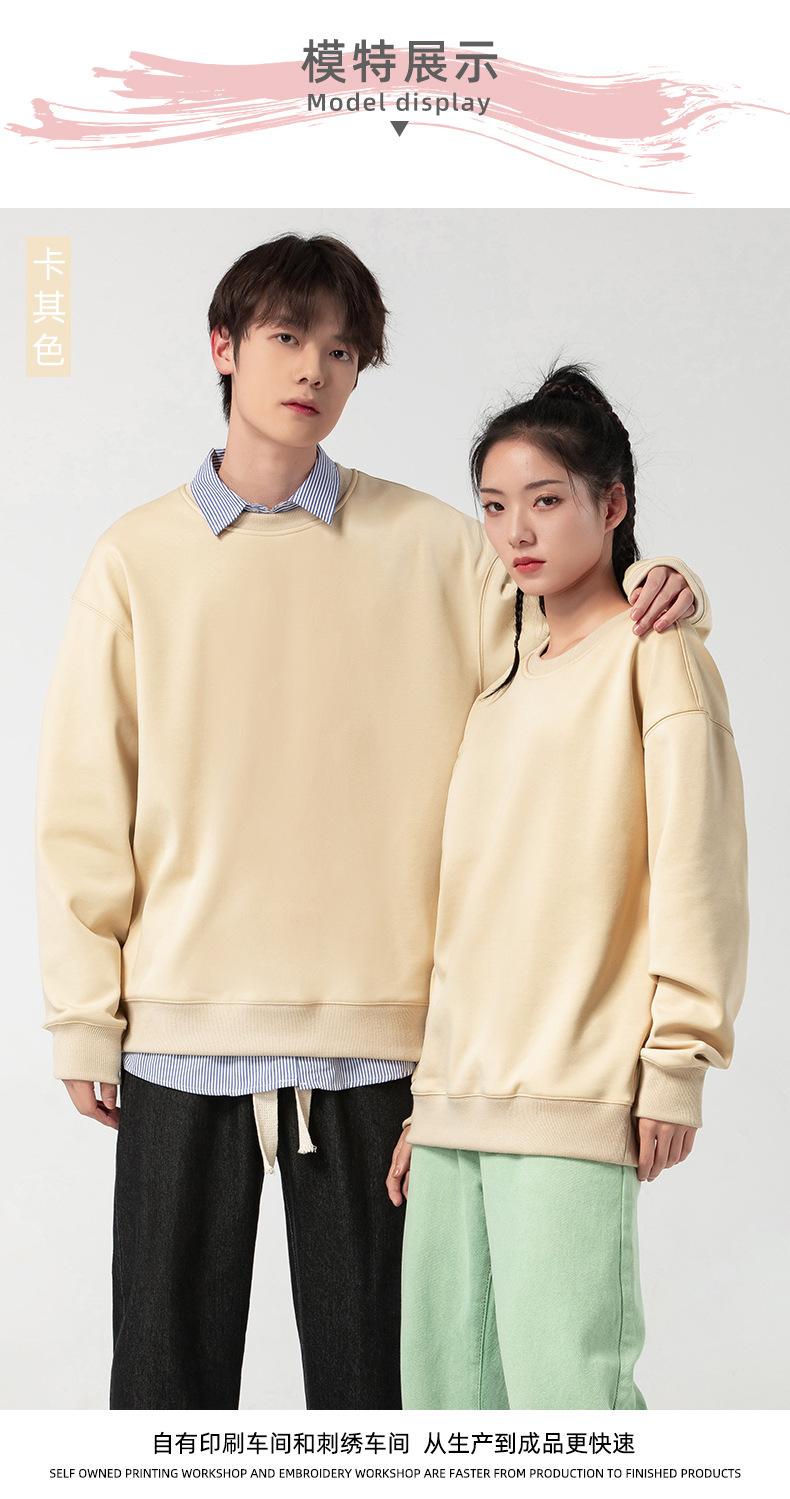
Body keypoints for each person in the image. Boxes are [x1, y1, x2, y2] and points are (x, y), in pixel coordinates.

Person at [35, 236, 705, 1411]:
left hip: (384, 1045)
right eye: (288, 336)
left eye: (344, 351)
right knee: (159, 1396)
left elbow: (579, 630)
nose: (316, 368)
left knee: (379, 1400)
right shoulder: (133, 559)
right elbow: (84, 802)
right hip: (179, 1028)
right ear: (223, 347)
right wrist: (84, 1014)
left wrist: (673, 583)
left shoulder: (438, 545)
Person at [389, 364, 749, 1411]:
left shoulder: (655, 655)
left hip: (574, 1089)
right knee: (447, 1406)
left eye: (546, 499)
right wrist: (429, 1097)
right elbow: (471, 907)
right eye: (495, 506)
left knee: (570, 1403)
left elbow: (698, 869)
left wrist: (676, 1062)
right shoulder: (499, 679)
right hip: (456, 1103)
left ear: (613, 503)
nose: (518, 531)